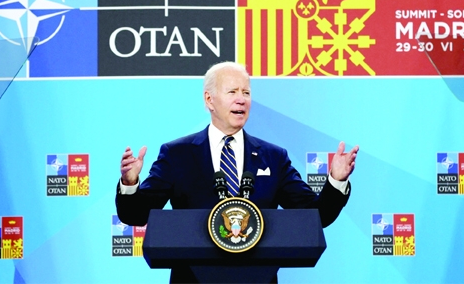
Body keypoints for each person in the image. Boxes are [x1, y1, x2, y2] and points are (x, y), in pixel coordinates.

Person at [116, 61, 359, 283]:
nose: (241, 99)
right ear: (209, 100)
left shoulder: (273, 157)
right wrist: (130, 182)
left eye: (246, 93)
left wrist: (336, 181)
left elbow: (315, 215)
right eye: (232, 92)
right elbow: (136, 214)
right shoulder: (177, 153)